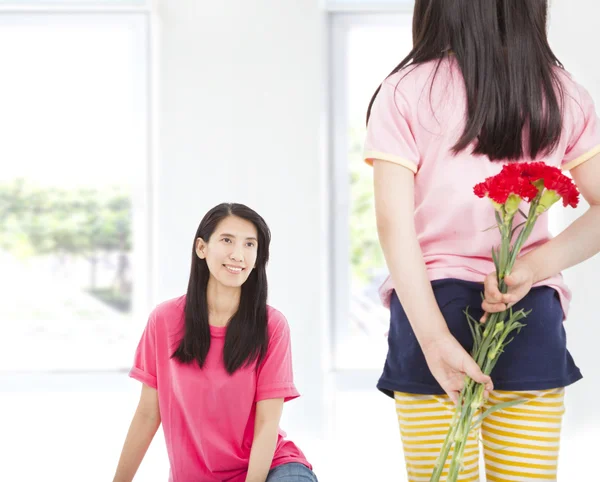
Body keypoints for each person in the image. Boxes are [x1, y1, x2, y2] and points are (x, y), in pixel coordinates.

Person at [364, 1, 600, 480]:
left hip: (431, 308)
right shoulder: (561, 93)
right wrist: (531, 269)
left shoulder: (405, 90)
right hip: (527, 313)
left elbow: (394, 225)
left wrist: (433, 340)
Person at [112, 203, 317, 482]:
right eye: (227, 240)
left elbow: (267, 423)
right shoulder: (165, 320)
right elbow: (148, 413)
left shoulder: (272, 326)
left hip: (271, 469)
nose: (238, 254)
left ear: (257, 258)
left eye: (249, 244)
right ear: (201, 248)